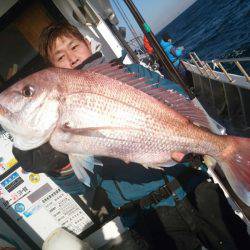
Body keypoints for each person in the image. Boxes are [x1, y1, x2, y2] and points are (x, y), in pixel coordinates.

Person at [12, 23, 249, 250]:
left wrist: (198, 139)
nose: (72, 58)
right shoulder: (51, 125)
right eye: (60, 57)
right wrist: (59, 167)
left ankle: (227, 149)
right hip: (147, 214)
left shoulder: (132, 74)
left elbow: (180, 99)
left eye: (74, 47)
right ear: (54, 67)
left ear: (87, 43)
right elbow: (82, 184)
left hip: (192, 184)